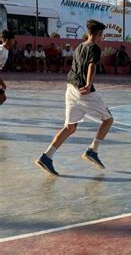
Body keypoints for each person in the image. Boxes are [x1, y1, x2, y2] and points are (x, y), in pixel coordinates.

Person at [35, 19, 114, 176]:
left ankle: (46, 157)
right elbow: (91, 65)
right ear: (98, 34)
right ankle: (92, 150)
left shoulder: (80, 46)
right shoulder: (94, 47)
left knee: (70, 127)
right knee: (108, 119)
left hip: (70, 88)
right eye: (101, 35)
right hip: (84, 91)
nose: (102, 38)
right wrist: (89, 83)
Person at [0, 30, 15, 102]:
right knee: (2, 98)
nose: (13, 42)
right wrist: (2, 82)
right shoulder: (1, 50)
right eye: (12, 40)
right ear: (6, 40)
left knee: (2, 98)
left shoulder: (6, 50)